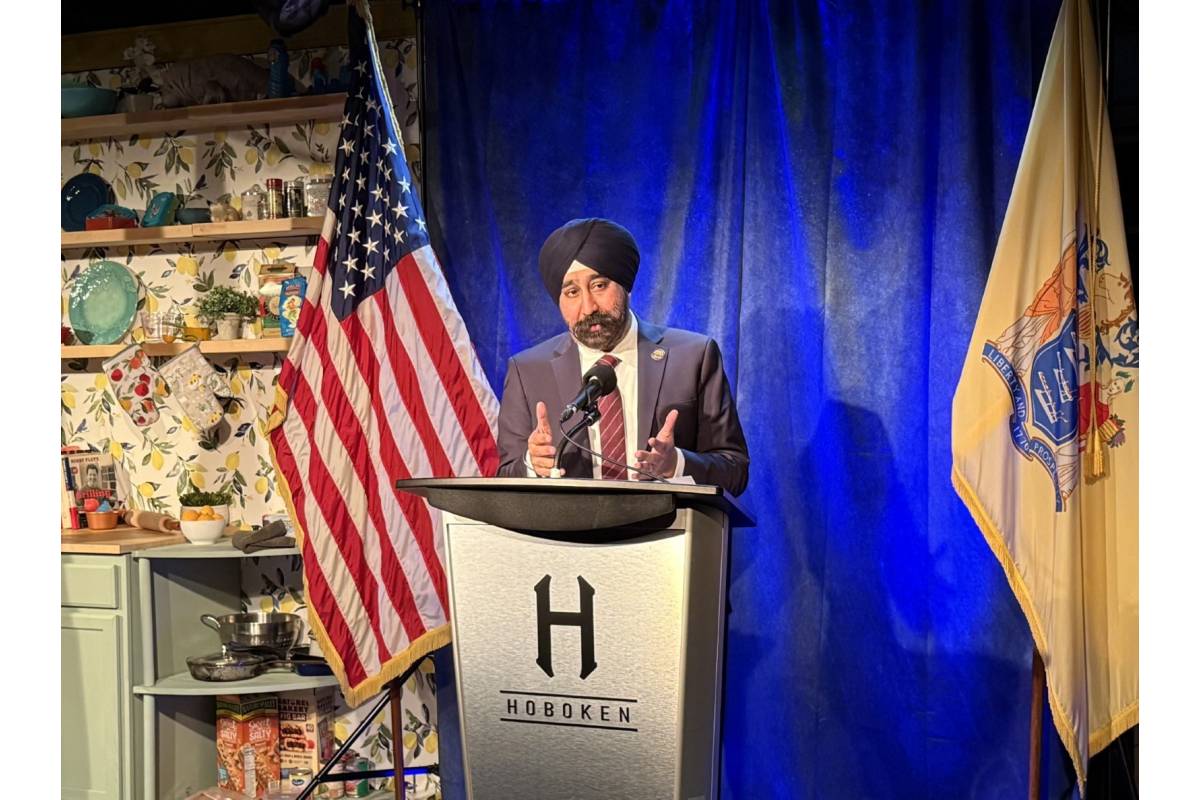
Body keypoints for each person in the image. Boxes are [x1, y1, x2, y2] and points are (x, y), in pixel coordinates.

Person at [493, 218, 750, 496]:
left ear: (625, 286)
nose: (588, 307)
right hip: (568, 524)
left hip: (667, 522)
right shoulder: (528, 370)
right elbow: (505, 476)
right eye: (572, 292)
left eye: (599, 285)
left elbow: (735, 470)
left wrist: (676, 464)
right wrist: (532, 464)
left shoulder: (693, 357)